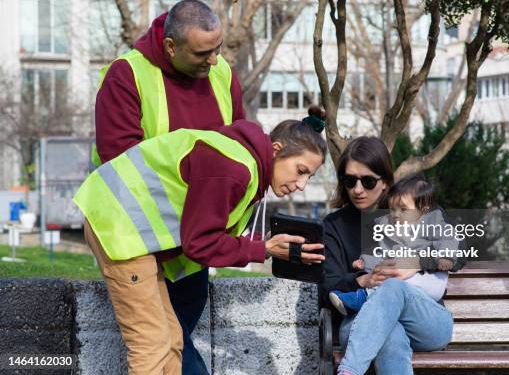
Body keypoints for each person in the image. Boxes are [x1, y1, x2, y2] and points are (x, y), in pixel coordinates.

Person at [74, 107, 327, 374]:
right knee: (151, 344)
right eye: (300, 170)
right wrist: (262, 249)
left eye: (309, 177)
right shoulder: (234, 169)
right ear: (276, 149)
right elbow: (201, 243)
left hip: (128, 229)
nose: (301, 185)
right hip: (118, 225)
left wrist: (262, 245)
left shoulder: (244, 162)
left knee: (172, 339)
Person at [93, 0, 245, 375]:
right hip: (139, 241)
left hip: (193, 246)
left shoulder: (222, 73)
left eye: (217, 49)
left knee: (175, 344)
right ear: (171, 46)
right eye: (202, 53)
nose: (213, 61)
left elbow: (237, 144)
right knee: (159, 347)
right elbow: (121, 166)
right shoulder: (126, 74)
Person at [319, 137, 456, 375]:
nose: (357, 189)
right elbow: (326, 286)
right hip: (361, 320)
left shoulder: (414, 206)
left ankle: (349, 370)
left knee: (392, 289)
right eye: (350, 181)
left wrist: (417, 262)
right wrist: (362, 280)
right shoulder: (334, 226)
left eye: (368, 181)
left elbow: (458, 250)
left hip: (422, 320)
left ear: (385, 181)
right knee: (388, 332)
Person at [328, 175, 459, 315]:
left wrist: (446, 256)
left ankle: (363, 298)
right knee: (388, 276)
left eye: (403, 209)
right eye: (392, 209)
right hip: (403, 283)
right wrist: (365, 261)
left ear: (424, 210)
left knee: (392, 285)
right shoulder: (390, 230)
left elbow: (448, 238)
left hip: (430, 280)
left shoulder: (432, 223)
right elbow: (384, 257)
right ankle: (364, 299)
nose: (396, 215)